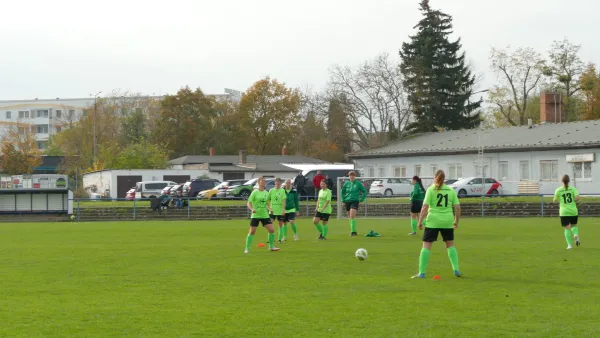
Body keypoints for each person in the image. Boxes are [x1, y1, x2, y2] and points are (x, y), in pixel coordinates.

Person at [412, 169, 462, 279]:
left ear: (435, 177)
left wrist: (420, 222)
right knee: (450, 245)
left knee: (426, 246)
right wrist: (456, 221)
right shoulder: (450, 190)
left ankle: (422, 273)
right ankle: (456, 270)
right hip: (447, 221)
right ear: (444, 179)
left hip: (433, 221)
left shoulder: (431, 190)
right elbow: (457, 207)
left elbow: (424, 207)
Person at [245, 177, 280, 253]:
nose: (264, 182)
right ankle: (247, 248)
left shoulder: (266, 193)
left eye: (264, 181)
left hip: (264, 215)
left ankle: (271, 247)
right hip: (256, 215)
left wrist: (270, 209)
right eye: (262, 181)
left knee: (271, 230)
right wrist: (252, 209)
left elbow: (267, 204)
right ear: (258, 182)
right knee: (252, 232)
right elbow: (249, 203)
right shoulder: (254, 192)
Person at [553, 174, 581, 249]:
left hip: (564, 211)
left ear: (562, 181)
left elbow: (554, 200)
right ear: (569, 181)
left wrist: (560, 200)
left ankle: (569, 245)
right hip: (573, 211)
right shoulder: (573, 189)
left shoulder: (558, 190)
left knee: (567, 228)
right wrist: (572, 200)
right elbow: (578, 198)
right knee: (574, 225)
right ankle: (575, 234)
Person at [341, 171, 367, 236]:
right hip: (347, 201)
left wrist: (361, 199)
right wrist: (343, 200)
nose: (352, 176)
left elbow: (364, 191)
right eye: (350, 175)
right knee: (350, 217)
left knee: (352, 215)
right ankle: (353, 230)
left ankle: (353, 232)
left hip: (355, 201)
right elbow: (342, 192)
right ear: (349, 176)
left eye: (353, 175)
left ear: (355, 176)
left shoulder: (358, 184)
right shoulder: (346, 183)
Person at [268, 177, 287, 243]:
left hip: (280, 210)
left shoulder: (282, 190)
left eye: (279, 183)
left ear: (281, 183)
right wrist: (269, 208)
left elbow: (284, 201)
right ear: (275, 183)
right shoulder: (271, 190)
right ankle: (270, 238)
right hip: (272, 210)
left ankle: (279, 239)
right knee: (270, 224)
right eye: (276, 183)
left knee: (280, 225)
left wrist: (283, 210)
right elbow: (267, 200)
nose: (278, 184)